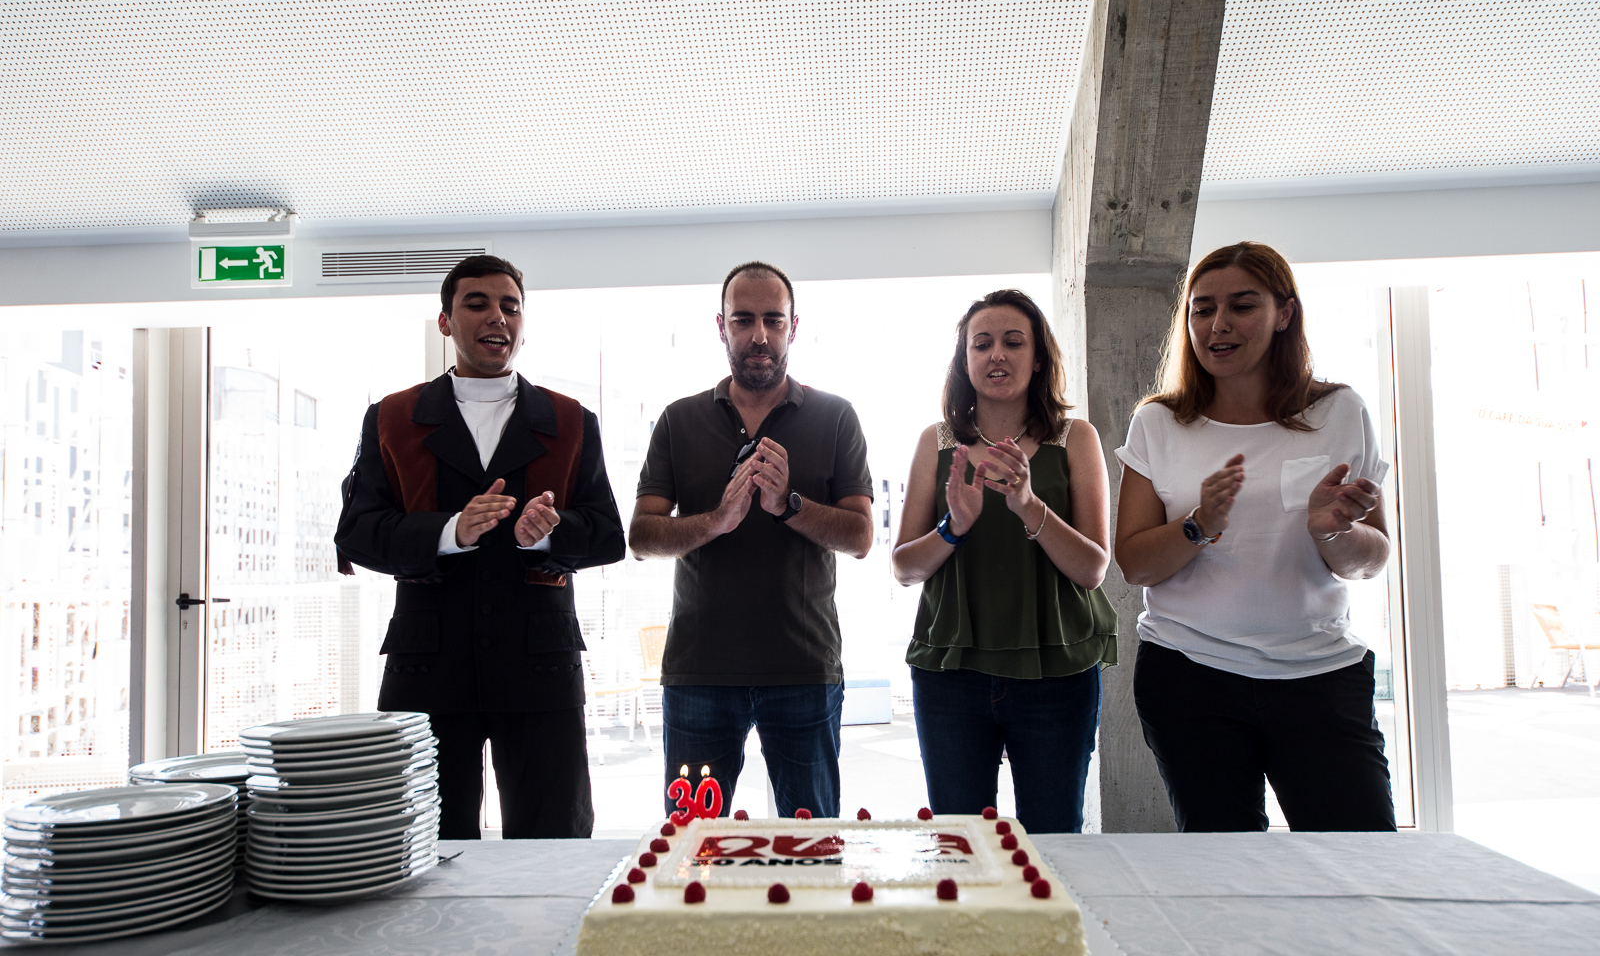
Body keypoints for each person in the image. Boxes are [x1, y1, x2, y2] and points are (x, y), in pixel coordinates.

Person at [334, 254, 625, 840]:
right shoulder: (392, 418)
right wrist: (449, 532)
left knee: (554, 844)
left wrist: (550, 531)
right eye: (478, 303)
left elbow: (606, 533)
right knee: (420, 846)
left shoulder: (571, 420)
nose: (498, 317)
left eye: (510, 306)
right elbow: (357, 534)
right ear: (445, 322)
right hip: (428, 668)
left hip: (539, 666)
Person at [1113, 241, 1396, 833]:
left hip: (1319, 673)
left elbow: (1372, 558)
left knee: (1363, 858)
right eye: (1201, 309)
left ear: (1284, 313)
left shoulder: (1341, 410)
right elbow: (1135, 565)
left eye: (1242, 306)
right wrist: (1197, 526)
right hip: (1191, 674)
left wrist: (1334, 530)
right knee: (1225, 868)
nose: (1218, 325)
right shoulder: (1159, 422)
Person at [629, 261, 874, 818]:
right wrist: (717, 519)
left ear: (793, 326)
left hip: (804, 670)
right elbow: (642, 536)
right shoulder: (678, 420)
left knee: (813, 850)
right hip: (699, 673)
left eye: (773, 320)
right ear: (721, 327)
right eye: (743, 320)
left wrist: (788, 505)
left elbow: (860, 536)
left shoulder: (836, 417)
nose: (759, 335)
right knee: (693, 849)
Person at [891, 289, 1116, 833]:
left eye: (1014, 342)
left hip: (1055, 675)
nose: (997, 355)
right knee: (961, 844)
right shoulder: (936, 442)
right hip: (952, 676)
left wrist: (1027, 505)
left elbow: (1093, 569)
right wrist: (955, 527)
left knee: (1054, 839)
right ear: (964, 361)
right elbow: (905, 567)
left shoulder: (1075, 438)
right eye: (982, 344)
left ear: (1038, 357)